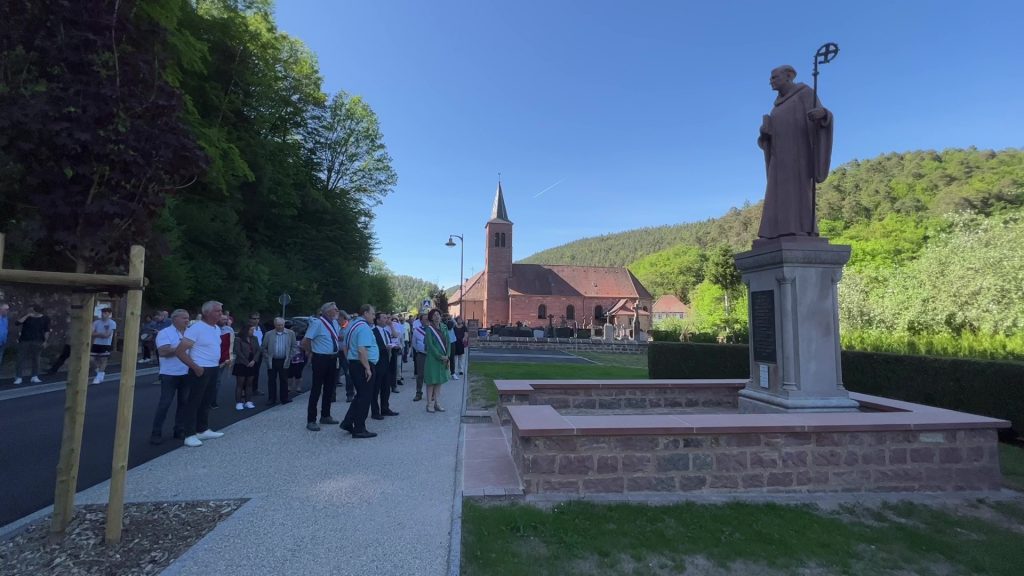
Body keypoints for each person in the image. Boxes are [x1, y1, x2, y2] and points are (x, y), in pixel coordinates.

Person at [757, 64, 834, 240]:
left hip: (799, 154)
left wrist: (822, 115)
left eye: (774, 77)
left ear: (789, 76)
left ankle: (801, 228)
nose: (771, 81)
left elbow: (823, 116)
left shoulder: (805, 93)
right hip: (778, 159)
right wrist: (765, 134)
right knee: (775, 194)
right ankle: (774, 232)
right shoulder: (775, 108)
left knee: (797, 192)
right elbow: (768, 137)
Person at [175, 300, 227, 447]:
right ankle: (189, 434)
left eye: (221, 311)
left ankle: (202, 429)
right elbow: (180, 351)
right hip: (200, 368)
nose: (221, 314)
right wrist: (195, 367)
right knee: (194, 401)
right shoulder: (196, 328)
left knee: (207, 400)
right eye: (218, 311)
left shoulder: (216, 328)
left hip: (214, 367)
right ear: (207, 312)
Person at [149, 309, 191, 445]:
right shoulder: (165, 333)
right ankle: (156, 432)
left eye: (188, 318)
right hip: (170, 374)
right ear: (174, 319)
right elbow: (163, 351)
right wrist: (182, 347)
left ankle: (179, 429)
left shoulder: (189, 333)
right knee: (165, 403)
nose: (187, 320)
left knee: (184, 403)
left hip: (186, 372)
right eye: (184, 318)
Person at [339, 304, 378, 438]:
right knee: (365, 397)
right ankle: (359, 428)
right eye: (372, 314)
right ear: (365, 313)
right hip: (362, 365)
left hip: (355, 364)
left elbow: (345, 346)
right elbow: (362, 350)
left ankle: (348, 422)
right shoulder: (363, 328)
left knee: (360, 396)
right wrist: (367, 368)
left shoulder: (352, 325)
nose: (374, 316)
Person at [302, 302, 342, 431]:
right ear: (327, 311)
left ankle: (325, 415)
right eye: (335, 309)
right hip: (321, 358)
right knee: (316, 389)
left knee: (329, 388)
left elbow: (335, 337)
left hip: (332, 358)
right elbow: (305, 341)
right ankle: (311, 419)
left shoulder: (335, 323)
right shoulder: (317, 323)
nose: (337, 311)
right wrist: (311, 352)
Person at [369, 312, 399, 420]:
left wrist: (393, 346)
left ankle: (385, 408)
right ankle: (375, 411)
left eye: (387, 317)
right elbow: (372, 346)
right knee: (376, 388)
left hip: (387, 362)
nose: (386, 319)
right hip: (378, 363)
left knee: (386, 387)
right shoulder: (372, 332)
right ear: (377, 320)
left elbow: (393, 339)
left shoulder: (386, 331)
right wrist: (384, 347)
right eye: (384, 318)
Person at [13, 304, 50, 385]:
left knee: (36, 359)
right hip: (24, 340)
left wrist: (45, 341)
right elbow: (17, 323)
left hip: (38, 341)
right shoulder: (27, 317)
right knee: (20, 359)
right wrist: (27, 315)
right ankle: (18, 377)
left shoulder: (45, 318)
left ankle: (34, 376)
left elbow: (47, 330)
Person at [262, 317, 295, 406]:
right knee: (271, 380)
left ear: (284, 324)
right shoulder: (269, 334)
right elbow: (264, 347)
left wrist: (290, 356)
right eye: (278, 325)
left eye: (281, 325)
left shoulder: (290, 333)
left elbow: (293, 346)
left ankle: (284, 398)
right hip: (272, 360)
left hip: (284, 360)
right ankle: (272, 399)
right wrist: (267, 357)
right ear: (274, 325)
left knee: (284, 380)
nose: (280, 327)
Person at [423, 309, 450, 412]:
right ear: (431, 317)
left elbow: (448, 342)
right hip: (433, 359)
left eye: (438, 314)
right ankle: (429, 403)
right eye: (434, 315)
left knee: (439, 381)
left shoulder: (444, 327)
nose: (437, 317)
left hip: (443, 359)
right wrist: (440, 356)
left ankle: (437, 403)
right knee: (431, 382)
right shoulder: (429, 329)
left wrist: (447, 355)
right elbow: (430, 345)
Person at [232, 324, 262, 410]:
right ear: (246, 331)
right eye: (251, 330)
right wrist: (246, 362)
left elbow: (258, 350)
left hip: (252, 362)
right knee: (240, 384)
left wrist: (254, 361)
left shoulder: (254, 338)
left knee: (249, 383)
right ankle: (238, 402)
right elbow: (237, 351)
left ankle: (248, 401)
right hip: (241, 363)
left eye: (253, 330)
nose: (253, 332)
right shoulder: (238, 339)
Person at [90, 307, 116, 384]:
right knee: (91, 359)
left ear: (109, 314)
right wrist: (100, 334)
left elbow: (107, 335)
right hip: (96, 343)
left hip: (106, 344)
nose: (103, 314)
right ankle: (99, 371)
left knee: (103, 360)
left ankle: (99, 376)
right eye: (102, 313)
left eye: (105, 313)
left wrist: (97, 334)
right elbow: (91, 333)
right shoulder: (96, 322)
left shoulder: (112, 323)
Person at [411, 312, 427, 402]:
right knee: (420, 375)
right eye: (425, 319)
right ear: (421, 321)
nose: (427, 321)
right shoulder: (417, 330)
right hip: (421, 355)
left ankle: (431, 393)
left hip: (431, 356)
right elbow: (414, 343)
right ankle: (418, 393)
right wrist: (420, 350)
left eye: (428, 319)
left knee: (430, 375)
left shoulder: (432, 330)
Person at [248, 312, 264, 396]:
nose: (256, 320)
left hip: (259, 352)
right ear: (250, 319)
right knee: (247, 372)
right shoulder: (247, 328)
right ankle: (245, 390)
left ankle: (255, 389)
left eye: (258, 318)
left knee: (256, 371)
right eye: (254, 318)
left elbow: (264, 338)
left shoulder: (261, 327)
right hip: (249, 353)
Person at [0, 303, 9, 372]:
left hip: (2, 342)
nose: (7, 311)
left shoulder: (6, 319)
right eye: (6, 309)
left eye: (8, 309)